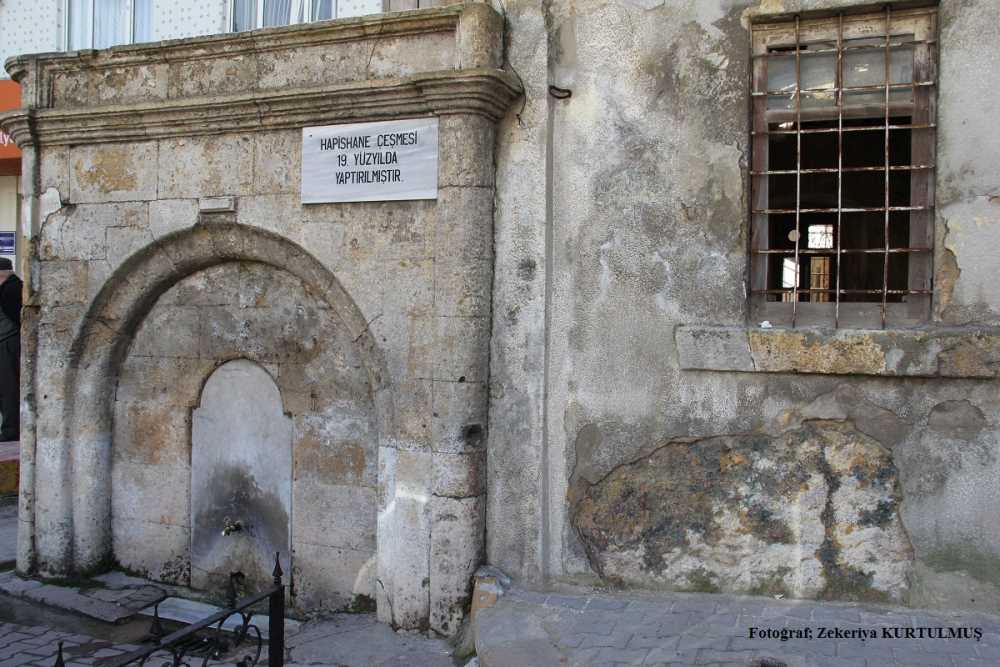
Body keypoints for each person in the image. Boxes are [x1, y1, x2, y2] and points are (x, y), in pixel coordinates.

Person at [0, 257, 21, 442]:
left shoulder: (11, 289)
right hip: (7, 342)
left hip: (8, 343)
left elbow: (17, 317)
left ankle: (10, 430)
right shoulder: (11, 287)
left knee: (8, 389)